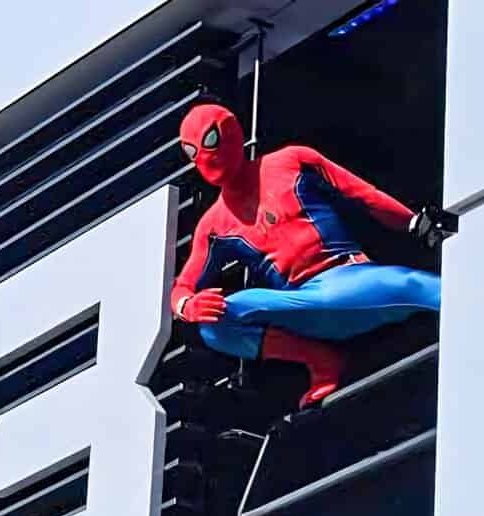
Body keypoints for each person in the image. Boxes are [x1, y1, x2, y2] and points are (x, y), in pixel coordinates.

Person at [172, 102, 451, 407]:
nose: (203, 155)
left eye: (209, 140)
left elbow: (363, 194)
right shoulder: (214, 225)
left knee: (426, 288)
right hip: (302, 306)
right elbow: (182, 287)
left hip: (351, 280)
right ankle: (318, 359)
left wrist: (415, 223)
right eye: (191, 151)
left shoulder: (291, 161)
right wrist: (189, 305)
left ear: (230, 132)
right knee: (215, 323)